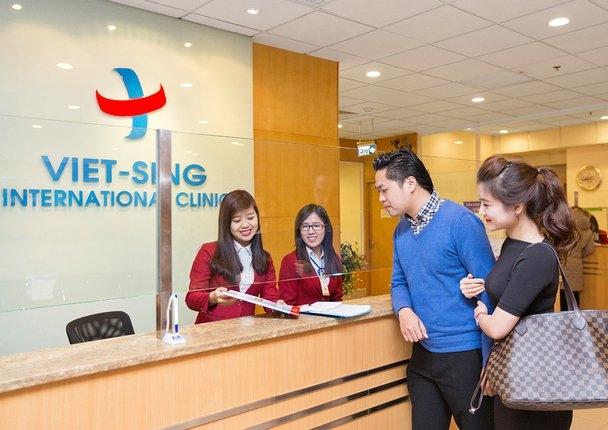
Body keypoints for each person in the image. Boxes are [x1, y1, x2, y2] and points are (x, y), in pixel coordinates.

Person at [373, 149, 495, 430]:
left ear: (410, 183)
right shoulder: (401, 230)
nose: (381, 198)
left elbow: (489, 289)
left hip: (465, 355)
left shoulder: (461, 222)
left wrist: (489, 362)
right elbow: (398, 281)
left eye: (384, 189)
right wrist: (404, 311)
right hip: (423, 357)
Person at [462, 156, 576, 429]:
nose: (481, 211)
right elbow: (510, 290)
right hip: (516, 373)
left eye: (487, 204)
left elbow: (498, 327)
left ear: (516, 207)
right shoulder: (512, 243)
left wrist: (480, 314)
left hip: (538, 384)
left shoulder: (537, 255)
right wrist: (475, 286)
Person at [185, 190, 281, 324]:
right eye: (237, 220)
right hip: (213, 329)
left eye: (250, 218)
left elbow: (270, 297)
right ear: (226, 224)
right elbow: (192, 298)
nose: (245, 225)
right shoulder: (209, 251)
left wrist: (279, 305)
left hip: (247, 331)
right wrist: (212, 297)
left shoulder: (265, 258)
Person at [279, 204, 343, 305]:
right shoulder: (290, 261)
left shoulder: (335, 259)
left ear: (325, 228)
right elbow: (288, 304)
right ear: (299, 231)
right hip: (302, 315)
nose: (311, 231)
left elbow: (337, 299)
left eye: (316, 226)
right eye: (305, 226)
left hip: (330, 315)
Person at [562, 207, 596, 310]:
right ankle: (575, 318)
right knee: (574, 295)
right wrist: (578, 255)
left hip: (563, 262)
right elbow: (590, 249)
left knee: (563, 293)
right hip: (576, 265)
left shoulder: (565, 224)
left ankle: (564, 318)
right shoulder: (588, 230)